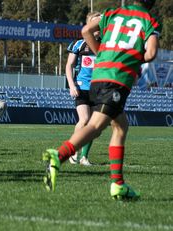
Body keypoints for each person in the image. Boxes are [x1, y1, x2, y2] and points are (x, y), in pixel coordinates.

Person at [43, 0, 160, 200]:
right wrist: (129, 59)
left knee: (121, 125)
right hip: (116, 79)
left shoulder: (113, 13)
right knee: (96, 126)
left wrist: (103, 53)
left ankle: (118, 185)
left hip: (99, 76)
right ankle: (58, 156)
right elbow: (150, 53)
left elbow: (86, 30)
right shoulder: (149, 21)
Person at [65, 11, 101, 166]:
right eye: (94, 22)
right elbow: (69, 66)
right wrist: (72, 85)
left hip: (98, 89)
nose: (97, 26)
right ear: (88, 25)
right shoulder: (78, 44)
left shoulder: (105, 45)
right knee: (85, 120)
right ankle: (72, 151)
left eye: (99, 22)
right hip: (81, 87)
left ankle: (84, 157)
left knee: (94, 125)